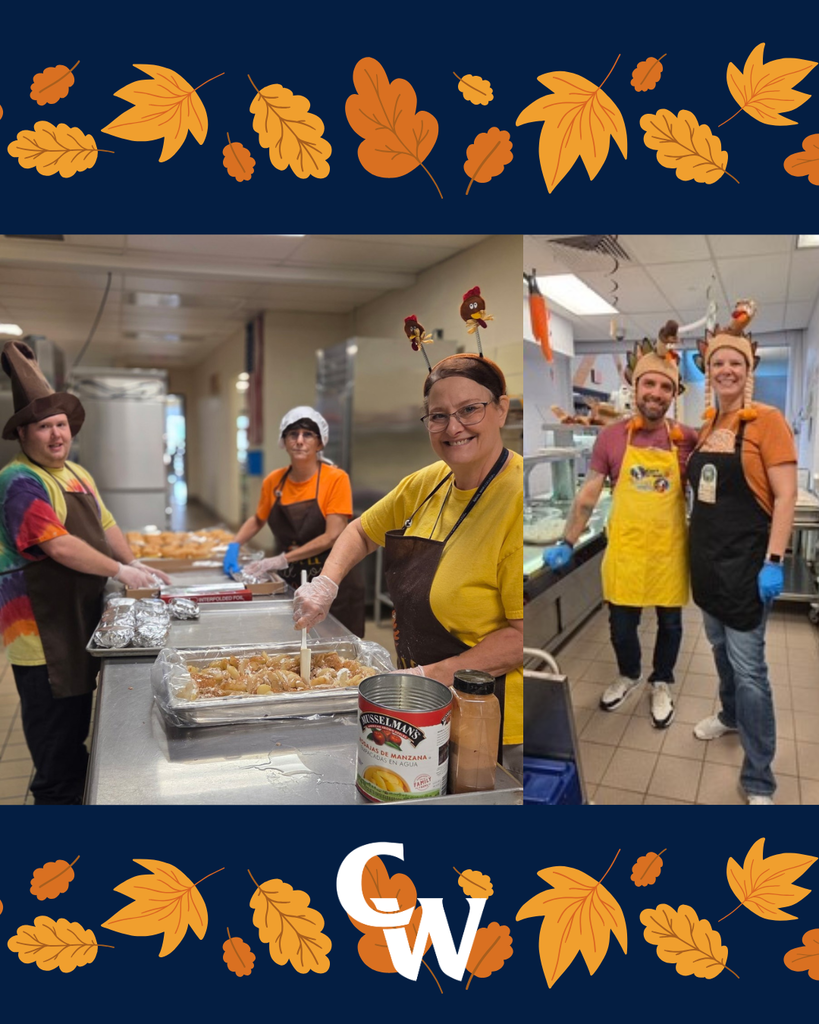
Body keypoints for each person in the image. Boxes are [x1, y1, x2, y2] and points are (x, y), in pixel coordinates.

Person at [291, 353, 523, 774]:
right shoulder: (427, 482)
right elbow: (361, 531)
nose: (454, 428)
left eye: (470, 409)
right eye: (438, 416)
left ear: (501, 408)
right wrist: (327, 582)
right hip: (418, 703)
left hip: (487, 716)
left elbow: (519, 637)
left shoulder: (517, 500)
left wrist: (431, 675)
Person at [0, 341, 170, 805]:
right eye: (43, 427)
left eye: (60, 425)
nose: (56, 435)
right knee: (56, 756)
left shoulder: (75, 472)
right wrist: (121, 570)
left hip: (76, 621)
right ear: (24, 435)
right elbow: (58, 545)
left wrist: (133, 564)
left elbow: (106, 523)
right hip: (43, 636)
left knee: (76, 733)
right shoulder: (19, 481)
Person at [544, 334, 698, 728]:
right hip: (627, 551)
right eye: (650, 383)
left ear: (674, 394)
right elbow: (588, 496)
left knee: (671, 624)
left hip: (669, 552)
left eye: (666, 386)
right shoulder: (612, 437)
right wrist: (567, 540)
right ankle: (629, 674)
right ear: (636, 387)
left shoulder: (686, 439)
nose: (656, 393)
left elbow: (713, 489)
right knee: (621, 626)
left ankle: (661, 680)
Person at [687, 303, 797, 805]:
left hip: (750, 569)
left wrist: (774, 562)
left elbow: (787, 495)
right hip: (708, 568)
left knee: (752, 672)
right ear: (707, 372)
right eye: (717, 364)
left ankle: (759, 778)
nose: (726, 370)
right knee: (718, 653)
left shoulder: (767, 421)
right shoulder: (710, 422)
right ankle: (729, 716)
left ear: (748, 370)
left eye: (735, 363)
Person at [223, 406, 365, 637]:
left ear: (320, 443)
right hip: (290, 579)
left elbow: (332, 535)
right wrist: (233, 545)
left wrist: (281, 559)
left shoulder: (336, 479)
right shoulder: (274, 481)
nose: (299, 441)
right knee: (291, 639)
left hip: (332, 579)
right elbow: (258, 519)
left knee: (336, 646)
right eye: (293, 434)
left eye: (308, 434)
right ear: (284, 441)